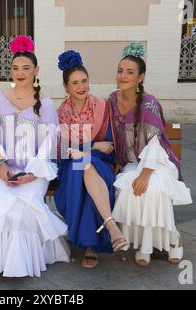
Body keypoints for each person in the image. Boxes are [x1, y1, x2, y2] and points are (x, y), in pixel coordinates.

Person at [0, 36, 71, 277]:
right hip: (5, 169)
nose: (20, 72)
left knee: (22, 209)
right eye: (15, 68)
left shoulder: (45, 105)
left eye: (26, 68)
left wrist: (33, 173)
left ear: (36, 70)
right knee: (4, 206)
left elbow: (49, 144)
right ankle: (1, 261)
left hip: (34, 172)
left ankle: (24, 262)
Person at [108, 42, 192, 266]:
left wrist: (146, 173)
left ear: (141, 77)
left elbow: (155, 144)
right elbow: (109, 133)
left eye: (130, 72)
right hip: (131, 162)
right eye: (120, 70)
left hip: (157, 161)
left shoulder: (149, 104)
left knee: (152, 187)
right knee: (129, 187)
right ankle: (144, 244)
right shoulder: (111, 100)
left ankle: (173, 239)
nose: (123, 76)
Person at [54, 50, 127, 269]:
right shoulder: (61, 113)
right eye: (74, 83)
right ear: (66, 87)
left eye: (84, 81)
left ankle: (93, 241)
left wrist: (92, 150)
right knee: (81, 166)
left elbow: (110, 145)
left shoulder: (102, 107)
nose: (81, 87)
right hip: (72, 162)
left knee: (87, 166)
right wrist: (93, 145)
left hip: (100, 160)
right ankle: (108, 229)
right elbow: (63, 149)